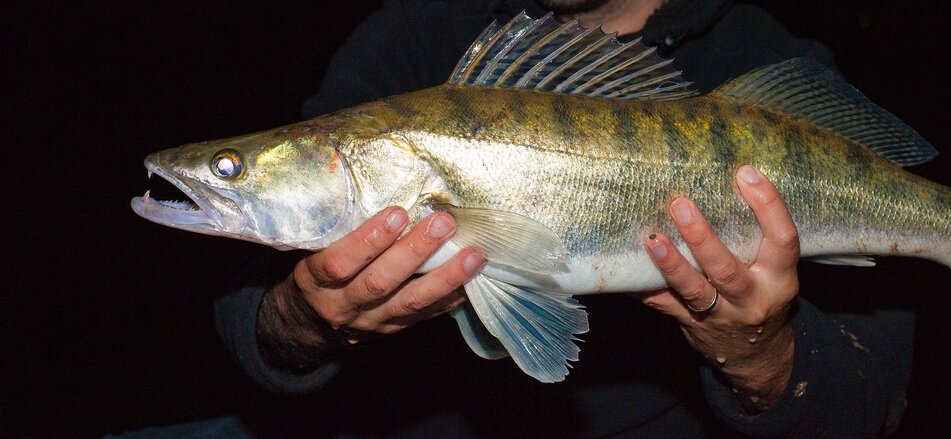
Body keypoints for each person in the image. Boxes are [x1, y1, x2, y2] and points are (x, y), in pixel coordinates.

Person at [207, 0, 914, 437]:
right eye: (233, 166)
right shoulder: (419, 34)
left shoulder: (763, 56)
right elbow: (250, 318)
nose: (226, 174)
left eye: (231, 166)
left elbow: (869, 405)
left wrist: (761, 353)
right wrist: (302, 318)